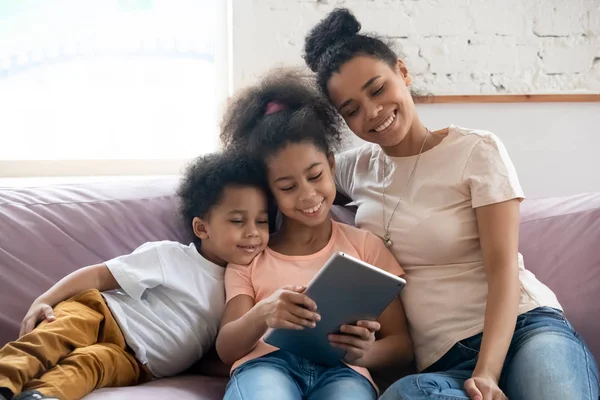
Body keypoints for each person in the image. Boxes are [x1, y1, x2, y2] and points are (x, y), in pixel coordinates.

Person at [302, 8, 599, 400]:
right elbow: (293, 174)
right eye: (351, 110)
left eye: (377, 89)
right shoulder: (355, 168)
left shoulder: (476, 150)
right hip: (444, 364)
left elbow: (503, 269)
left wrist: (488, 374)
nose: (372, 113)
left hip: (526, 330)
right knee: (400, 397)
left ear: (403, 73)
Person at [0, 152, 270, 400]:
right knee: (52, 336)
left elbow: (215, 354)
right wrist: (44, 299)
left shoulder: (244, 290)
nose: (252, 232)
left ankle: (42, 396)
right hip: (103, 314)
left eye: (262, 221)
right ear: (202, 228)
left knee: (89, 366)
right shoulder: (171, 256)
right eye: (237, 221)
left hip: (138, 363)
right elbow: (97, 276)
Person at [216, 69, 414, 400]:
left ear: (332, 166)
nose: (307, 195)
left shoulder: (364, 245)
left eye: (315, 175)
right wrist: (264, 313)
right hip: (267, 366)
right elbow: (226, 347)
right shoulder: (250, 256)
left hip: (345, 372)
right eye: (288, 186)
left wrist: (364, 353)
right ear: (270, 192)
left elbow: (402, 345)